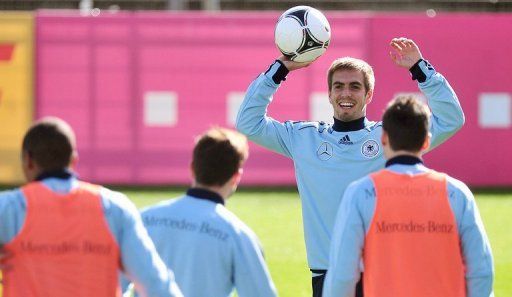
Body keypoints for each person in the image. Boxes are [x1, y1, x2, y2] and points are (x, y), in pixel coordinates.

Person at [235, 37, 465, 296]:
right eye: (339, 86)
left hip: (382, 271)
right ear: (329, 94)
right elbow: (248, 123)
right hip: (329, 273)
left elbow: (451, 119)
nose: (346, 93)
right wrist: (279, 70)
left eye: (355, 87)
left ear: (368, 94)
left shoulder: (390, 137)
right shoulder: (303, 138)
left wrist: (420, 69)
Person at [322, 95, 494, 297]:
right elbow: (481, 270)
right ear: (426, 141)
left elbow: (343, 274)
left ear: (384, 137)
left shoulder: (361, 193)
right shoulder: (457, 193)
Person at [0, 117, 182, 297]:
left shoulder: (9, 207)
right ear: (73, 160)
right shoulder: (114, 207)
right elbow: (156, 284)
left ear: (28, 160)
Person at [124, 127, 277, 297]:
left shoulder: (143, 220)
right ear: (236, 176)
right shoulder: (238, 236)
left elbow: (113, 285)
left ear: (192, 168)